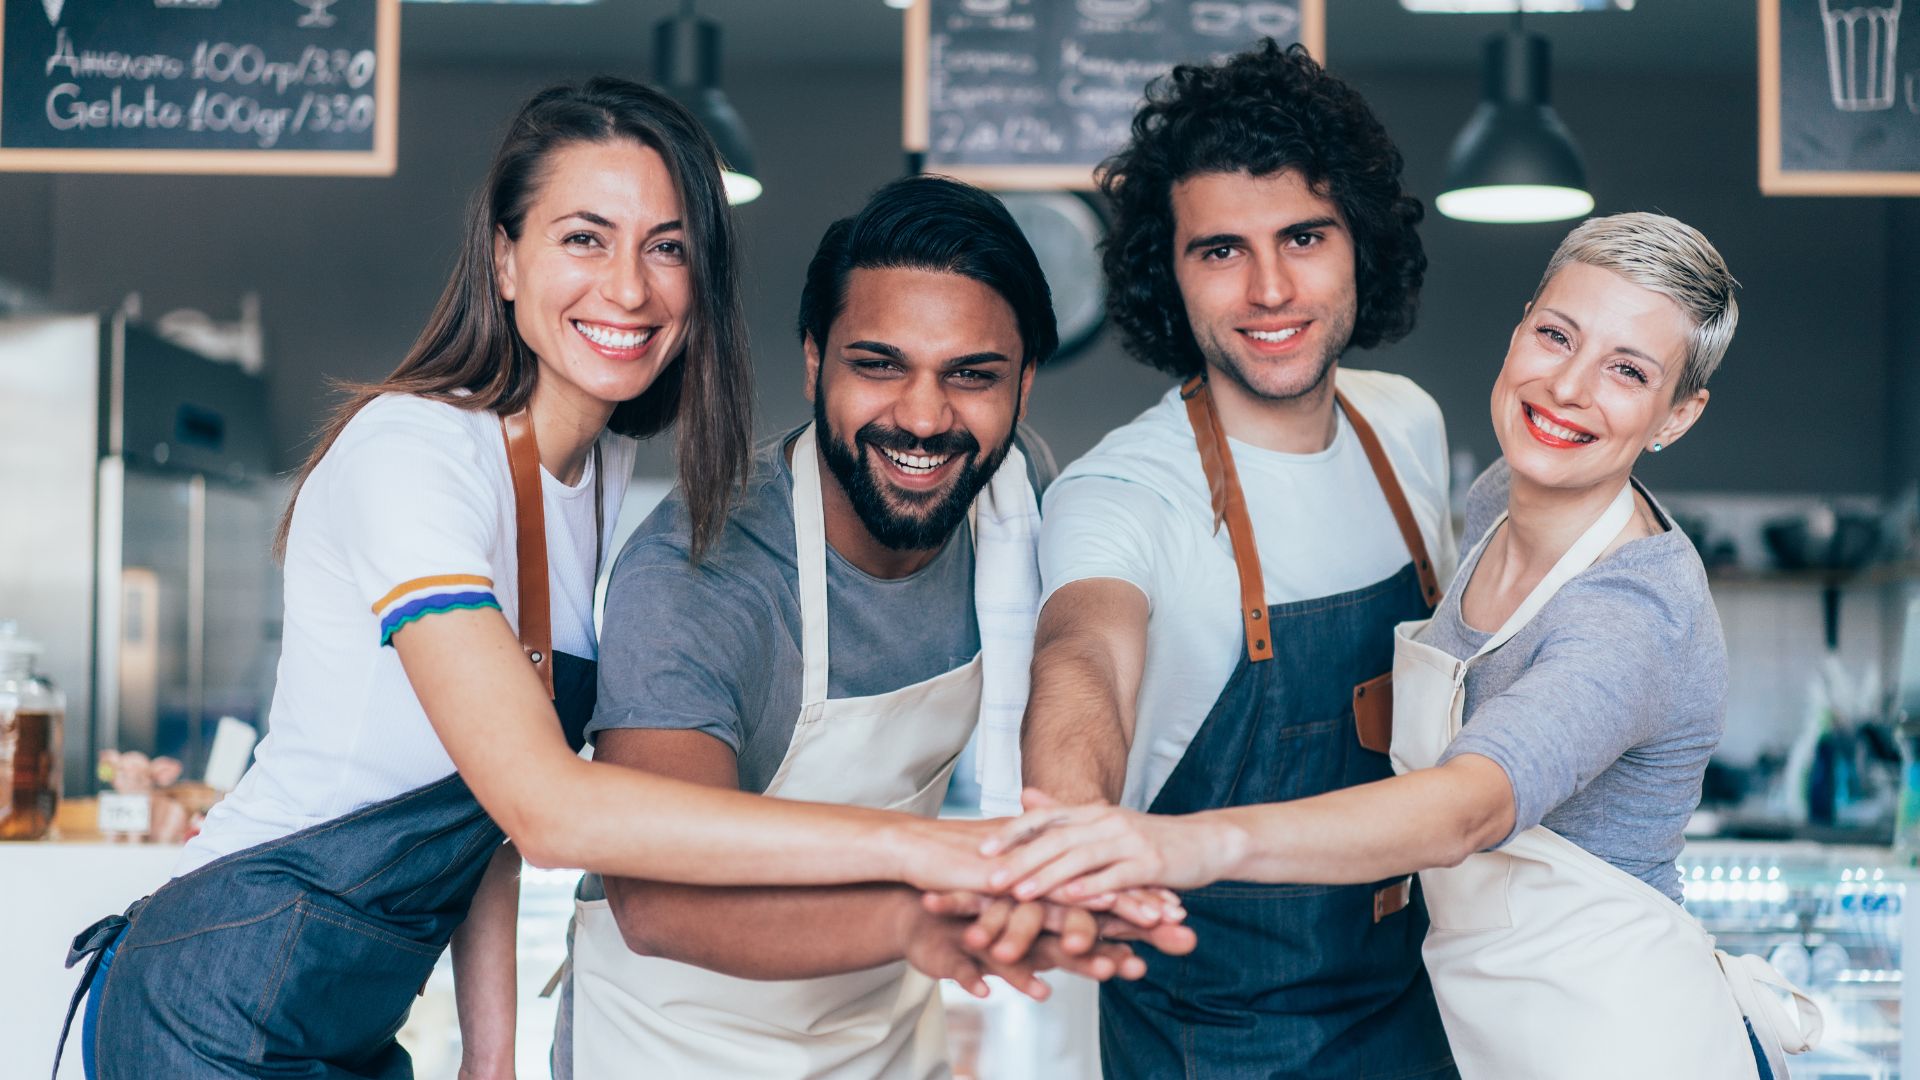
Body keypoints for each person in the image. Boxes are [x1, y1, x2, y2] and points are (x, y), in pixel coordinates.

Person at [55, 80, 1057, 1080]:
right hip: (210, 1001)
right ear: (503, 256)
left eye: (666, 248)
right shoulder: (412, 453)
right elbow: (545, 806)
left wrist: (493, 1057)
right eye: (585, 237)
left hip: (346, 1022)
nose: (628, 288)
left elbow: (480, 807)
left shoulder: (588, 476)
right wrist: (928, 854)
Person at [986, 213, 1825, 1079]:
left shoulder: (1632, 611)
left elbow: (1469, 805)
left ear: (1677, 416)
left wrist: (1179, 845)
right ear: (1522, 323)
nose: (1569, 387)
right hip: (1486, 1038)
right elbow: (1080, 651)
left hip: (1622, 1045)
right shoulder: (1501, 493)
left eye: (1628, 371)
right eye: (1556, 335)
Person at [548, 174, 1192, 1080]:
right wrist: (913, 916)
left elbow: (1082, 655)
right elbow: (655, 898)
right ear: (816, 361)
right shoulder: (707, 569)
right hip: (676, 1044)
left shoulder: (1009, 507)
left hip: (883, 1038)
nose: (924, 419)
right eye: (879, 365)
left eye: (971, 376)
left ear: (1024, 382)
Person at [1014, 39, 1458, 1080]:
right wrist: (1074, 831)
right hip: (1218, 1048)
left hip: (1422, 1015)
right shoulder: (1123, 493)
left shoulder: (1406, 430)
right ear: (1167, 275)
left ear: (1361, 243)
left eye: (1304, 236)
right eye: (1220, 250)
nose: (1269, 288)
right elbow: (1083, 662)